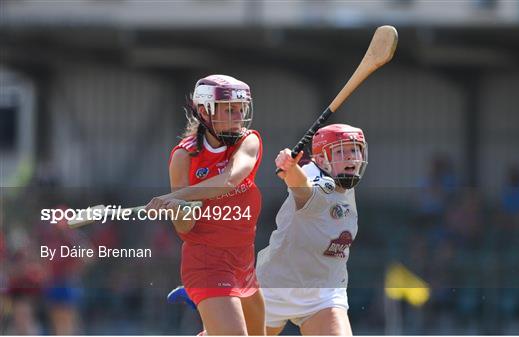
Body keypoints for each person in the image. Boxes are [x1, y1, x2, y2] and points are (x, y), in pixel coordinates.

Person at [146, 75, 265, 335]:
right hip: (207, 263)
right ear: (205, 111)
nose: (238, 117)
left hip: (244, 263)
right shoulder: (184, 156)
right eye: (230, 110)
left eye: (241, 109)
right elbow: (186, 228)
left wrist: (174, 197)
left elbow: (231, 179)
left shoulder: (249, 141)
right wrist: (177, 209)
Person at [256, 123, 368, 335]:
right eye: (341, 151)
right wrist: (290, 170)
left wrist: (290, 166)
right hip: (274, 288)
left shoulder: (341, 180)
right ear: (322, 158)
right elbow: (303, 189)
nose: (352, 157)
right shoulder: (317, 182)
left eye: (355, 149)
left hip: (323, 295)